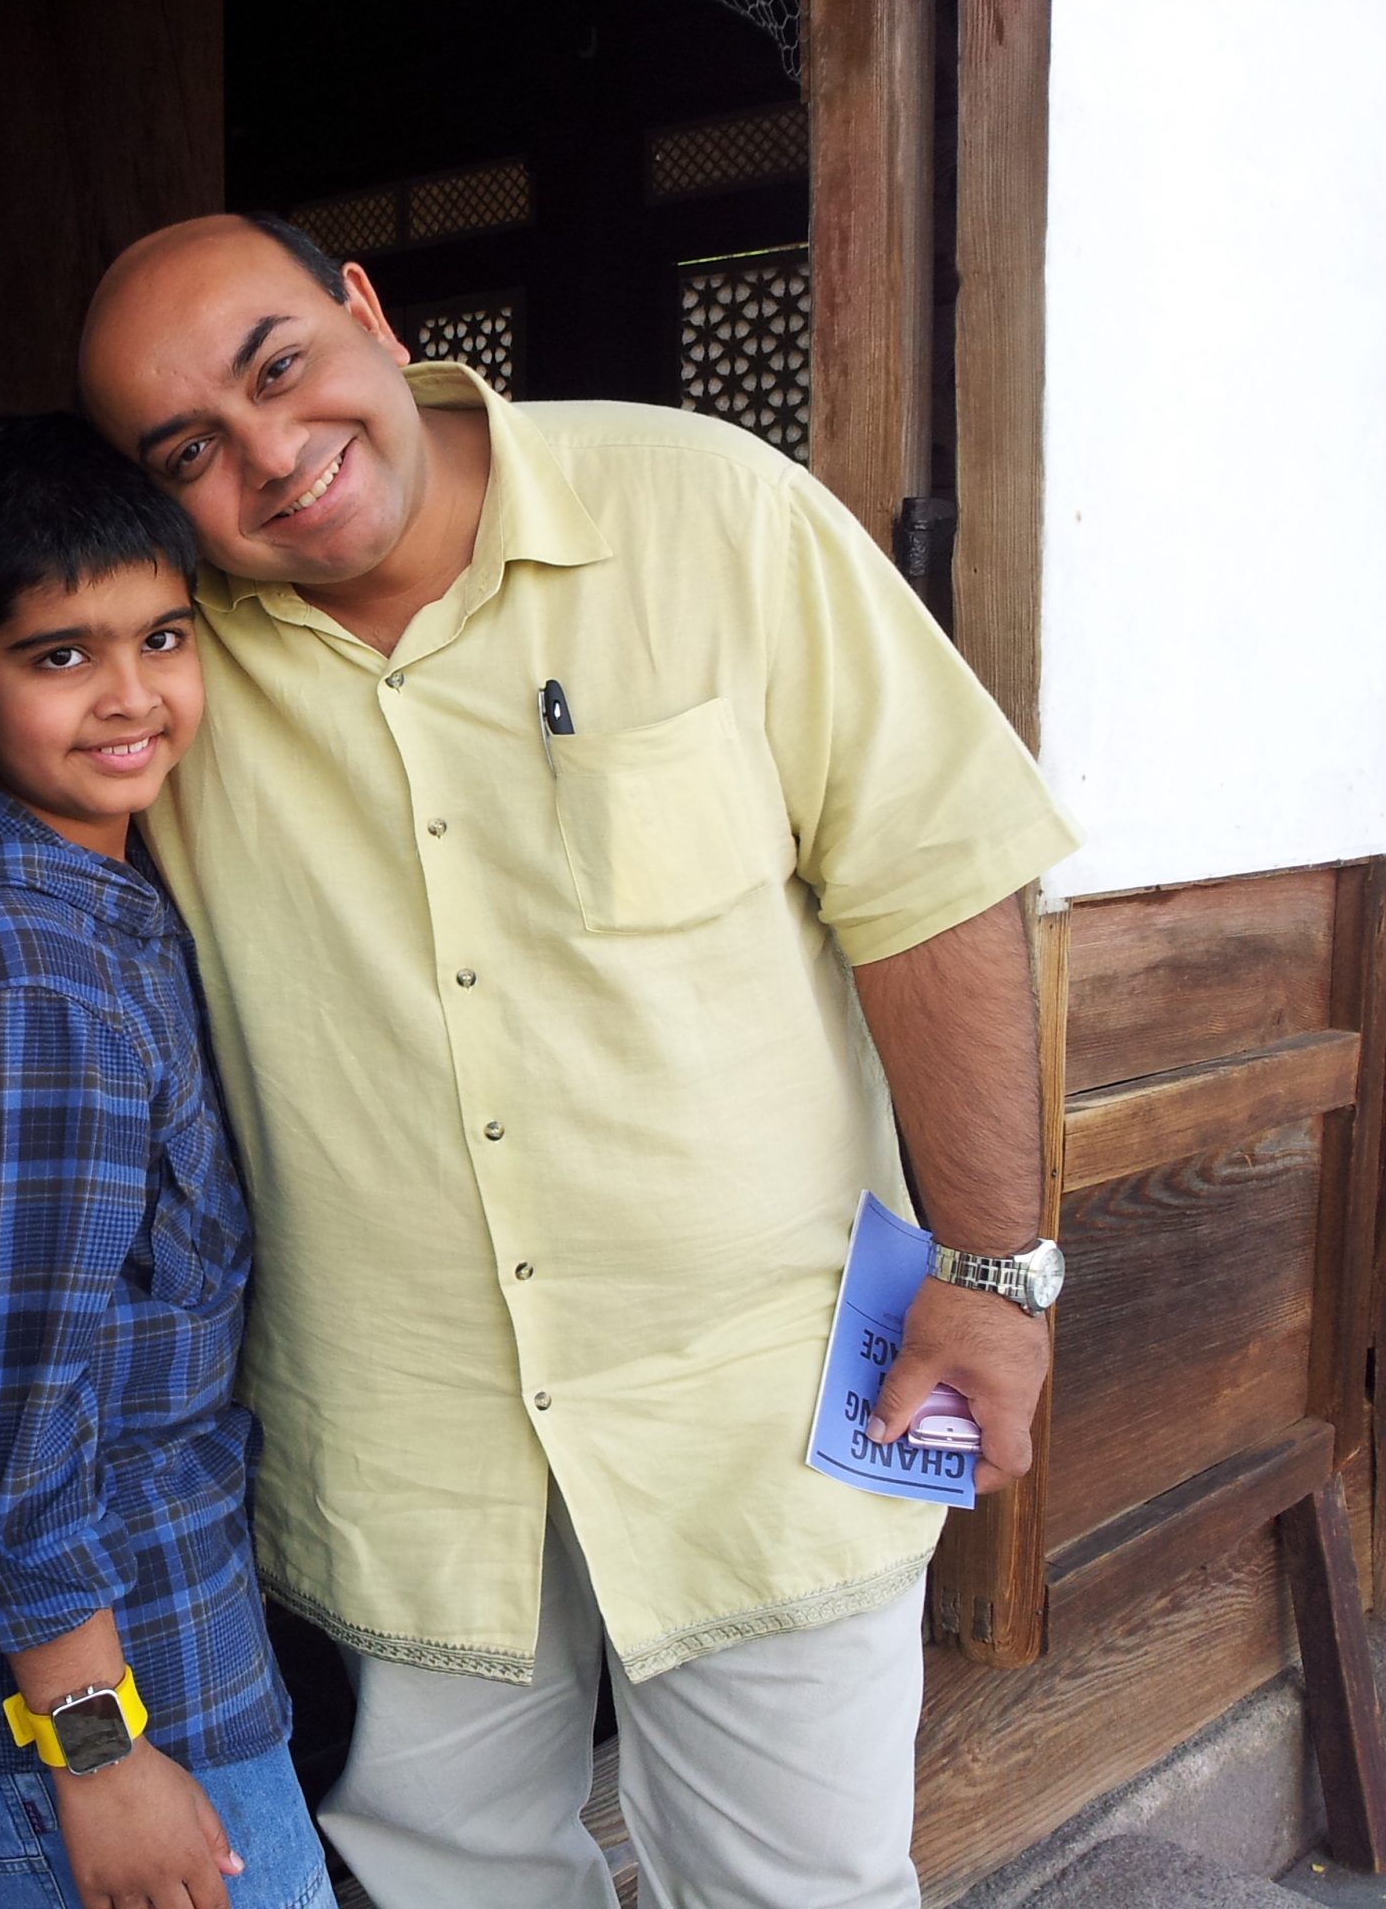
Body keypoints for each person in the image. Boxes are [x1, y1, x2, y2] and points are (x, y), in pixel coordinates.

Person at [76, 214, 1084, 1907]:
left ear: (367, 311)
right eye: (190, 451)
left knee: (804, 1889)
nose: (272, 455)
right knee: (452, 1887)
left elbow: (936, 882)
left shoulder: (708, 512)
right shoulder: (164, 663)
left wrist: (995, 1272)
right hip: (396, 1437)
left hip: (757, 1406)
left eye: (281, 367)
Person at [0, 415, 333, 1909]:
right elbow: (7, 1428)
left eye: (162, 639)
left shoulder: (103, 886)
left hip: (171, 1637)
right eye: (61, 656)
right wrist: (97, 1753)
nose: (130, 695)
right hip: (88, 1716)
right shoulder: (29, 984)